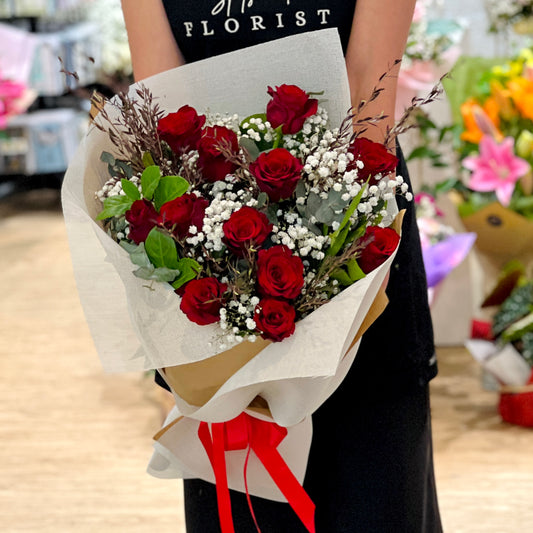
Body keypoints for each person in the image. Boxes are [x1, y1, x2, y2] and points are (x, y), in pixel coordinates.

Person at [120, 1, 442, 531]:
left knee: (375, 496)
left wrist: (316, 276)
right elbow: (163, 103)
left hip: (355, 247)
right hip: (213, 259)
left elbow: (370, 90)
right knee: (244, 504)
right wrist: (215, 274)